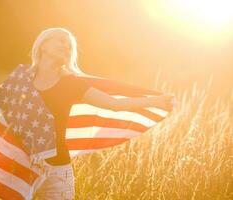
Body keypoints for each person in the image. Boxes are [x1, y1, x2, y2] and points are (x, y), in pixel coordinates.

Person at [29, 27, 174, 199]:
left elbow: (115, 104)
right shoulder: (21, 80)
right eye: (61, 40)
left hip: (58, 172)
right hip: (23, 169)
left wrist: (155, 101)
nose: (66, 46)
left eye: (69, 45)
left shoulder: (71, 84)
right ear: (43, 45)